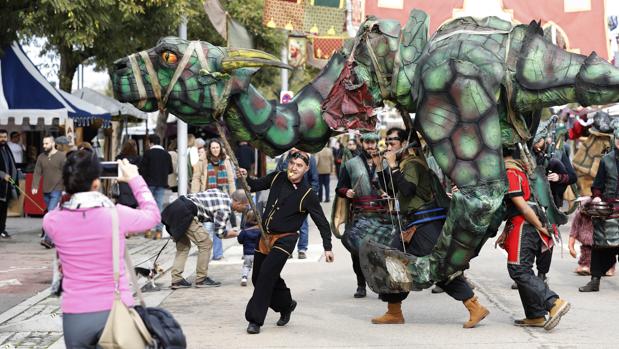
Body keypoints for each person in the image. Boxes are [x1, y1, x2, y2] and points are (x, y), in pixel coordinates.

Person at [43, 151, 160, 348]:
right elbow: (153, 215)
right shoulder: (116, 214)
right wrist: (135, 179)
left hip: (76, 315)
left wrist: (70, 187)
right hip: (116, 310)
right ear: (96, 184)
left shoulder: (52, 221)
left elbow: (61, 207)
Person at [371, 134, 489, 327]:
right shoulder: (403, 165)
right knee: (394, 264)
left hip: (424, 225)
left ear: (405, 145)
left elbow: (407, 190)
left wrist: (392, 166)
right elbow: (392, 190)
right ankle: (394, 311)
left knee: (438, 269)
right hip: (411, 225)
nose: (389, 145)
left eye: (393, 141)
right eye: (388, 141)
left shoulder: (414, 164)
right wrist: (379, 166)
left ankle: (474, 306)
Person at [236, 151, 334, 334]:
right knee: (259, 277)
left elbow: (321, 221)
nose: (294, 168)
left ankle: (255, 320)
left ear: (306, 169)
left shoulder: (308, 194)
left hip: (285, 240)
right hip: (265, 237)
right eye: (292, 164)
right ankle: (286, 304)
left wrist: (327, 247)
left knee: (266, 274)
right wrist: (245, 177)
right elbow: (255, 185)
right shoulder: (278, 177)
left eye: (299, 166)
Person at [496, 146, 570, 330]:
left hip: (526, 226)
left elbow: (523, 206)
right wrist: (506, 230)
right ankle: (535, 314)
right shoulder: (520, 170)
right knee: (523, 269)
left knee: (519, 270)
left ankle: (553, 302)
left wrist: (540, 226)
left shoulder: (511, 172)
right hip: (525, 224)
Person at [336, 132, 391, 298]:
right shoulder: (351, 164)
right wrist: (348, 192)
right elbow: (339, 188)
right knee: (357, 252)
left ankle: (381, 285)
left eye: (374, 142)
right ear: (362, 142)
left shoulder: (385, 163)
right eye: (367, 142)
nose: (370, 145)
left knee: (381, 253)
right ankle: (361, 284)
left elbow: (392, 185)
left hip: (381, 215)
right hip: (359, 214)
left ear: (377, 143)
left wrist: (387, 193)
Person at [162, 189, 249, 289]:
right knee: (206, 243)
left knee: (184, 246)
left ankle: (177, 280)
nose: (245, 208)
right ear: (238, 202)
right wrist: (238, 233)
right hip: (186, 212)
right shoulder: (225, 208)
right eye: (245, 205)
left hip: (175, 207)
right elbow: (220, 233)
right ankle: (201, 279)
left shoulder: (221, 193)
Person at [579, 128, 619, 292]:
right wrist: (596, 197)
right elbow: (598, 185)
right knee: (600, 246)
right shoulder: (606, 160)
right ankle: (595, 280)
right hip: (608, 210)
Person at [192, 139, 237, 259]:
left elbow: (231, 179)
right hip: (207, 199)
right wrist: (195, 194)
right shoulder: (203, 160)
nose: (216, 150)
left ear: (221, 148)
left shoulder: (226, 160)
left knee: (219, 227)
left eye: (217, 147)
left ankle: (217, 254)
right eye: (213, 148)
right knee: (206, 228)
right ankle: (205, 252)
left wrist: (233, 196)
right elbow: (196, 178)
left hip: (222, 199)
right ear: (209, 149)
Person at [276, 148, 319, 259]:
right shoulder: (285, 157)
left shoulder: (309, 159)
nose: (293, 148)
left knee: (302, 224)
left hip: (302, 197)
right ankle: (287, 249)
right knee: (286, 225)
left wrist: (310, 196)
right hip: (286, 197)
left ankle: (302, 249)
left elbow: (314, 179)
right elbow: (277, 175)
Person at [33, 135, 66, 249]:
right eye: (43, 144)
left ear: (53, 143)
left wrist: (66, 188)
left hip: (57, 189)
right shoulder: (41, 157)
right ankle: (57, 236)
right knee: (52, 214)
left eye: (46, 143)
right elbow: (37, 172)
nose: (44, 146)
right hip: (45, 189)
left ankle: (48, 239)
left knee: (50, 214)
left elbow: (66, 172)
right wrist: (35, 186)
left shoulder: (62, 156)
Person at [139, 134, 173, 239]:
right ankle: (158, 231)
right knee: (159, 206)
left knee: (148, 206)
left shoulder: (147, 154)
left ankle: (148, 229)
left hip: (148, 184)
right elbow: (170, 170)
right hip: (162, 183)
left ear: (150, 142)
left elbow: (142, 170)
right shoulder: (166, 154)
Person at [232, 210, 261, 286]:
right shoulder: (261, 230)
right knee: (259, 266)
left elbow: (240, 240)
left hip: (248, 253)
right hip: (258, 252)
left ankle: (244, 277)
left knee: (247, 266)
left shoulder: (244, 231)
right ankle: (259, 279)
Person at [0, 130, 18, 239]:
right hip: (1, 184)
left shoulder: (6, 148)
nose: (3, 139)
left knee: (3, 209)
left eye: (4, 137)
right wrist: (2, 175)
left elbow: (11, 164)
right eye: (1, 137)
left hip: (6, 186)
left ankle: (2, 230)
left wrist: (14, 174)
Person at [115, 139, 141, 208]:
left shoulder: (119, 157)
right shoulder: (139, 158)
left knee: (123, 197)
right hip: (133, 180)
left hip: (122, 180)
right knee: (133, 197)